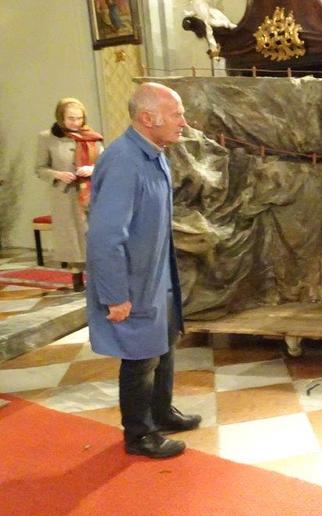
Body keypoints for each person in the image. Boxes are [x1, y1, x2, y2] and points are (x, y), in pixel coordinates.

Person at [86, 82, 200, 459]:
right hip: (134, 282)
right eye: (176, 114)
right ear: (148, 118)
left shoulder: (154, 153)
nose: (183, 121)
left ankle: (161, 412)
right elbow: (105, 236)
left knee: (164, 345)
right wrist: (115, 295)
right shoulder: (123, 161)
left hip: (157, 277)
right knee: (140, 358)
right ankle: (139, 434)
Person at [36, 98, 104, 290]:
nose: (76, 123)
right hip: (65, 195)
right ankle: (76, 276)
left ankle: (98, 276)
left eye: (79, 118)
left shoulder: (92, 137)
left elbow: (105, 163)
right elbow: (40, 168)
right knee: (73, 236)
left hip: (91, 192)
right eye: (71, 118)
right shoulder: (47, 137)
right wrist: (58, 174)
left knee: (93, 233)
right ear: (61, 117)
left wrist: (92, 169)